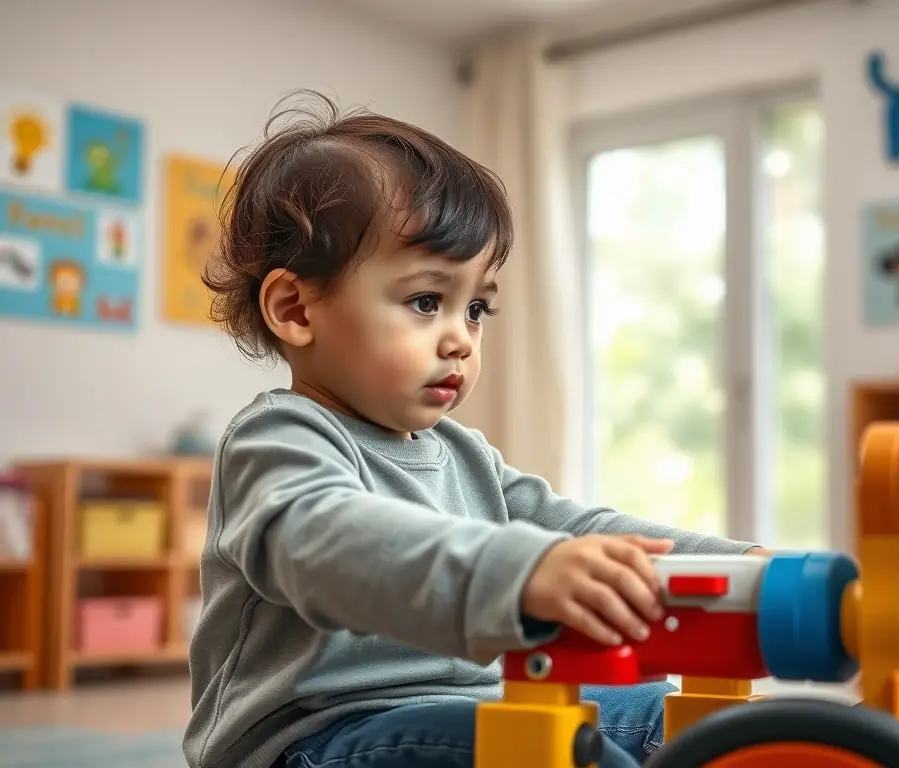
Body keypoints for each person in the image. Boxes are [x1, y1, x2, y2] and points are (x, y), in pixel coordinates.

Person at [184, 91, 766, 768]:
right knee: (558, 752)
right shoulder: (279, 440)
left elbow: (573, 529)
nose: (461, 338)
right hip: (318, 739)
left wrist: (732, 565)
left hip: (467, 705)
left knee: (664, 713)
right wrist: (519, 571)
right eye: (427, 301)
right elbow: (328, 544)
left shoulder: (462, 454)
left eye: (478, 308)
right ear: (296, 309)